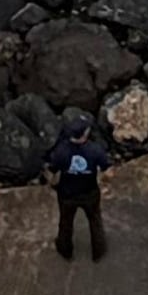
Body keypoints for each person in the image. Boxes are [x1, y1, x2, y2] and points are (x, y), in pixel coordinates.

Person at [51, 110, 109, 260]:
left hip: (67, 193)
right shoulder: (95, 150)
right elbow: (105, 167)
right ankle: (98, 250)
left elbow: (53, 169)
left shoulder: (61, 151)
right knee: (95, 221)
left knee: (65, 223)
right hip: (89, 191)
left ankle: (65, 250)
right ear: (84, 134)